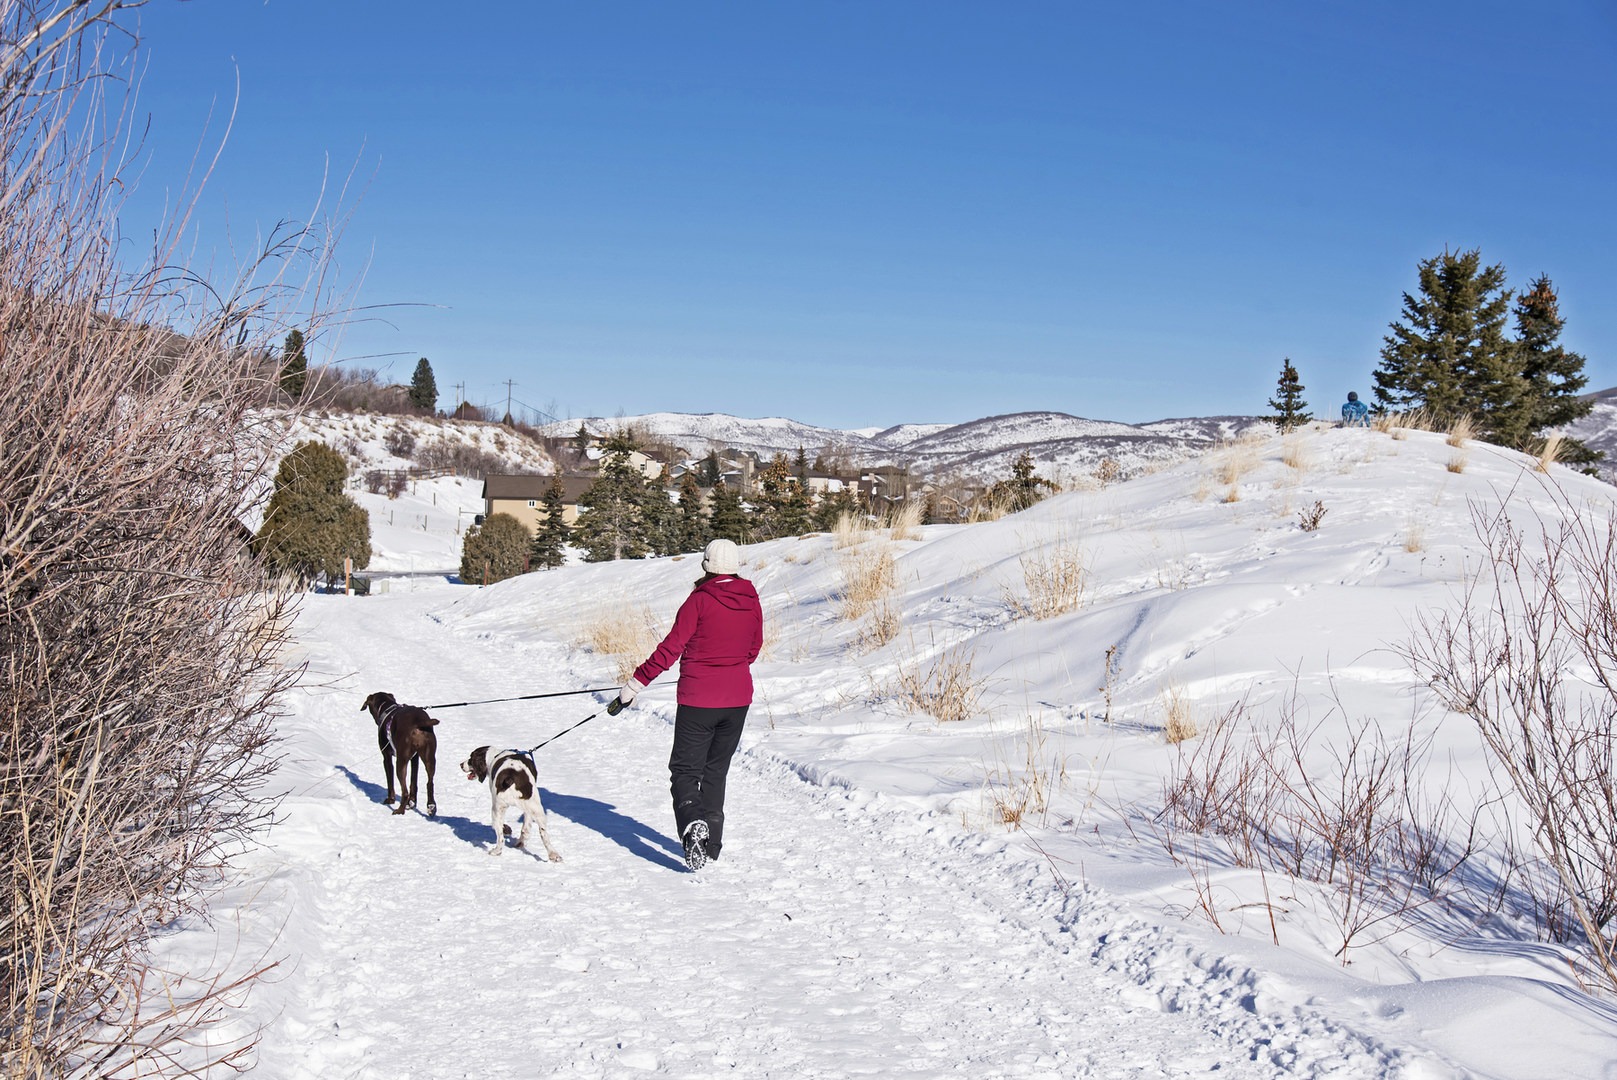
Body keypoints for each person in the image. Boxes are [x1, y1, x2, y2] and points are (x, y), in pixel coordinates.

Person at [611, 538, 763, 870]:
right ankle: (712, 845)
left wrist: (636, 683)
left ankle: (694, 822)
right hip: (738, 700)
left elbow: (670, 648)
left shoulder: (699, 601)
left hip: (699, 700)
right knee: (715, 771)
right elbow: (754, 649)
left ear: (707, 566)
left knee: (684, 771)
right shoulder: (752, 600)